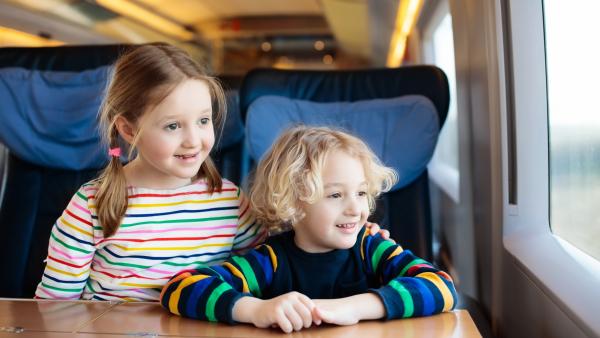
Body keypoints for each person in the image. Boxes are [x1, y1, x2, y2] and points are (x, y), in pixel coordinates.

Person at [160, 126, 457, 333]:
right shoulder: (270, 261)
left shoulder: (371, 247)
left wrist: (356, 307)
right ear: (294, 204)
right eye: (336, 195)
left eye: (362, 193)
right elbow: (180, 288)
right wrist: (255, 311)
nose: (356, 209)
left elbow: (443, 287)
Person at [34, 43, 267, 301]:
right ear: (129, 130)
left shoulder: (230, 202)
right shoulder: (90, 207)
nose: (193, 140)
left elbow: (262, 277)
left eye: (203, 120)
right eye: (173, 126)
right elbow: (54, 309)